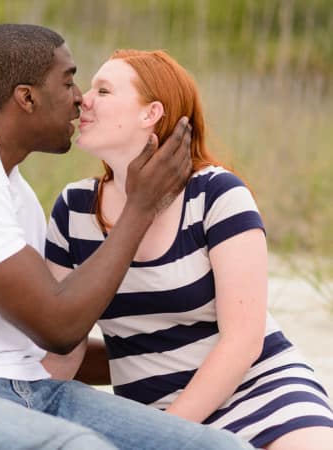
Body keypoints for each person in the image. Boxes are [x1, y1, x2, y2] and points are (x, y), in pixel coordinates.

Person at [0, 24, 248, 449]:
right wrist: (141, 207)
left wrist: (164, 348)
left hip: (31, 392)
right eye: (69, 81)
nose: (80, 99)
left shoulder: (16, 195)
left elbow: (44, 351)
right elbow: (59, 326)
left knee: (219, 447)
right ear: (27, 97)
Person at [42, 49, 333, 449]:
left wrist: (168, 433)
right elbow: (63, 347)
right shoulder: (73, 209)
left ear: (151, 114)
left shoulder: (216, 194)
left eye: (103, 90)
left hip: (263, 394)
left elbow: (243, 341)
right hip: (149, 412)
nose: (83, 99)